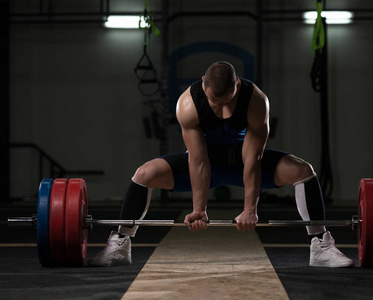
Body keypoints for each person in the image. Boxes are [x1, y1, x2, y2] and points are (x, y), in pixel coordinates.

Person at [88, 61, 354, 268]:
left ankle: (320, 245)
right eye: (214, 102)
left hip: (244, 162)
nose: (221, 109)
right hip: (207, 164)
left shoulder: (256, 100)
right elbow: (198, 160)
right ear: (203, 84)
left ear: (237, 84)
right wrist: (199, 209)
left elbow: (253, 158)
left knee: (303, 171)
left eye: (226, 102)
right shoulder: (187, 104)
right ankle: (120, 245)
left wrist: (250, 209)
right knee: (144, 174)